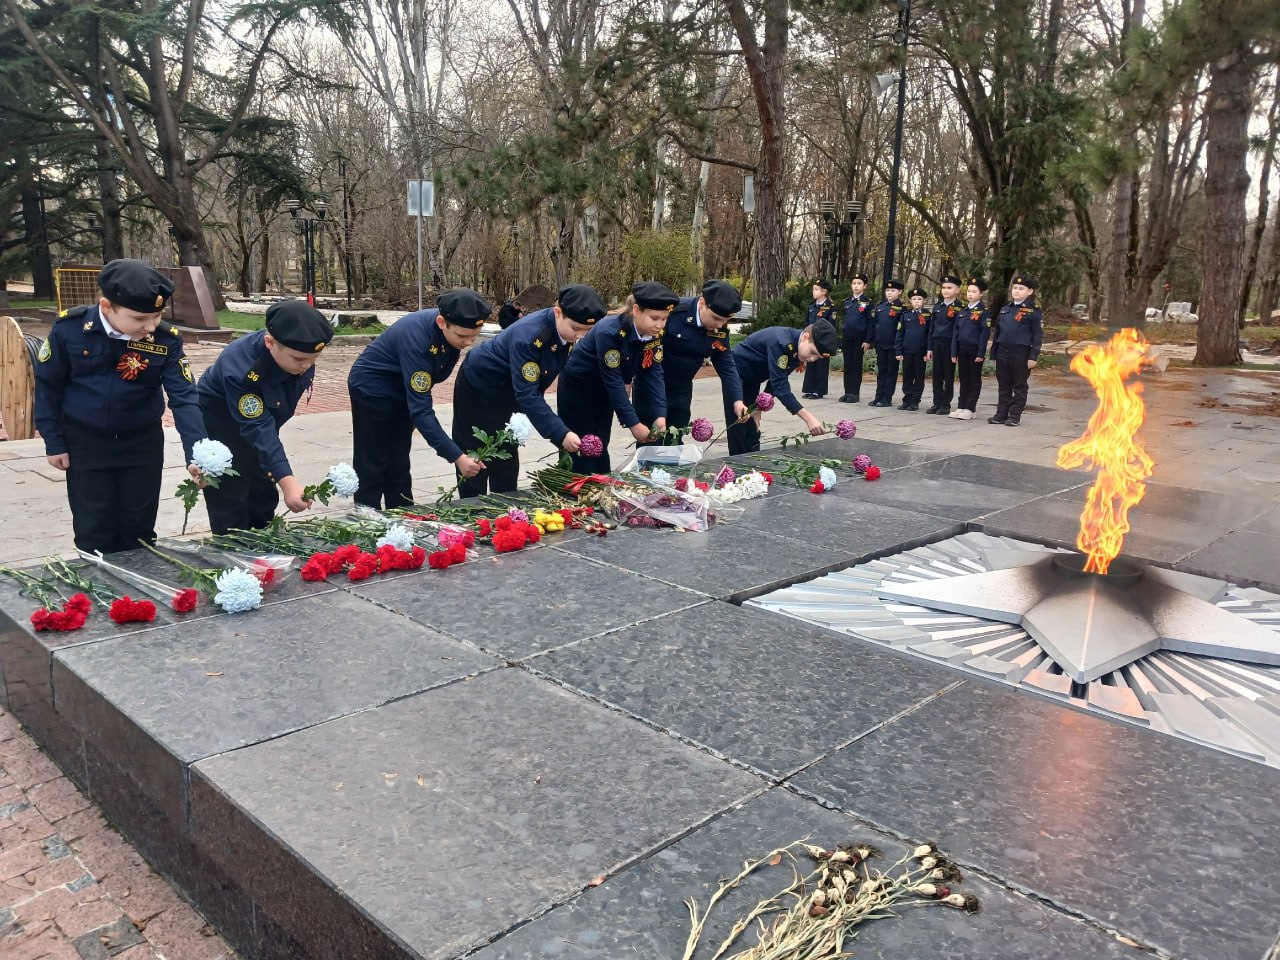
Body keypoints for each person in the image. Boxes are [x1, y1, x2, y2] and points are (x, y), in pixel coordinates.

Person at [34, 258, 208, 554]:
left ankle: (136, 596)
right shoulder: (70, 329)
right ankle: (97, 591)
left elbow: (184, 397)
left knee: (138, 529)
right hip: (85, 443)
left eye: (156, 316)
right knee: (93, 528)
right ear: (106, 307)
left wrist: (198, 452)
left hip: (140, 443)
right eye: (139, 319)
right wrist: (53, 440)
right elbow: (49, 385)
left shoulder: (165, 340)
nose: (150, 326)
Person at [451, 284, 607, 497]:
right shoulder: (531, 337)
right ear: (558, 313)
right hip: (479, 386)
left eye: (585, 331)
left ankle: (506, 504)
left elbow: (534, 385)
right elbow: (527, 394)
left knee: (506, 448)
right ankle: (472, 507)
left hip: (511, 389)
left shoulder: (564, 333)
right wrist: (560, 433)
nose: (579, 336)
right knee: (476, 452)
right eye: (575, 329)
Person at [347, 288, 493, 508]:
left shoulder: (448, 335)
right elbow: (421, 410)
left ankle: (401, 513)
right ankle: (367, 518)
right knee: (373, 460)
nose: (467, 343)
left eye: (474, 336)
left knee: (398, 460)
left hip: (402, 390)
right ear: (442, 322)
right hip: (372, 390)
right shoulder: (419, 341)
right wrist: (457, 457)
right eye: (462, 336)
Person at [197, 301, 334, 534]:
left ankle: (263, 547)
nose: (307, 366)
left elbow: (268, 423)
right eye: (299, 359)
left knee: (263, 492)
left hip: (263, 423)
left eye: (313, 359)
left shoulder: (299, 354)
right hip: (221, 426)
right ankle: (234, 556)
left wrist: (276, 470)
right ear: (269, 342)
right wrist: (289, 484)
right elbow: (258, 426)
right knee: (231, 497)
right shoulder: (242, 370)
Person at [557, 281, 676, 473]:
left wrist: (660, 414)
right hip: (579, 390)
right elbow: (612, 380)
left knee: (601, 442)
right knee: (582, 446)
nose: (660, 325)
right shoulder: (610, 332)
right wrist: (634, 424)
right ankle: (579, 492)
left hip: (605, 392)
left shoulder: (653, 333)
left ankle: (601, 483)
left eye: (664, 319)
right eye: (655, 318)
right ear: (636, 310)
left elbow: (654, 372)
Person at [634, 278, 746, 435]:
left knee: (676, 438)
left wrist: (737, 400)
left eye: (725, 321)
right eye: (716, 318)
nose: (719, 325)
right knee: (652, 443)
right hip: (651, 388)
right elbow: (650, 355)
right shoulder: (673, 312)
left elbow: (726, 363)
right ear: (702, 303)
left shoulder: (719, 329)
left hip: (682, 390)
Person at [727, 319, 837, 455]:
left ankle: (752, 463)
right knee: (739, 424)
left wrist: (758, 408)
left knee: (753, 426)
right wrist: (809, 419)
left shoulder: (797, 349)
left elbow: (776, 381)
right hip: (736, 375)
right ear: (805, 337)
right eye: (813, 352)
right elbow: (780, 386)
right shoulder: (782, 343)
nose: (812, 359)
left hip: (753, 378)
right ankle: (738, 467)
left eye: (817, 357)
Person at [988, 273, 1044, 427]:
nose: (1017, 291)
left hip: (1021, 352)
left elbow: (1037, 335)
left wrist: (1033, 356)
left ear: (1029, 292)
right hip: (1002, 351)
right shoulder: (1006, 308)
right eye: (1015, 288)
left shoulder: (1033, 311)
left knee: (1019, 385)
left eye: (1021, 288)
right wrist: (993, 353)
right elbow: (998, 332)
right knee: (1003, 384)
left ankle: (1014, 415)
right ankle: (1001, 414)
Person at [949, 277, 991, 420]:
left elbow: (984, 334)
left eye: (974, 291)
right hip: (962, 349)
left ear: (981, 294)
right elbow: (956, 332)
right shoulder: (963, 312)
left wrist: (981, 353)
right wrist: (954, 351)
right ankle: (961, 405)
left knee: (974, 379)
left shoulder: (984, 312)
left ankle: (970, 408)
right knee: (964, 378)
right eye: (969, 291)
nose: (970, 294)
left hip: (974, 351)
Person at [866, 279, 905, 407]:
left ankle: (887, 397)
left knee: (890, 372)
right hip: (881, 343)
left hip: (893, 345)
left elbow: (901, 329)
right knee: (881, 371)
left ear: (899, 292)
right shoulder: (880, 307)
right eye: (887, 290)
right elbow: (874, 324)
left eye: (893, 291)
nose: (889, 293)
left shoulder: (902, 309)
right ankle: (878, 396)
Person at [928, 273, 962, 415]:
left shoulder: (960, 308)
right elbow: (931, 328)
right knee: (937, 375)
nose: (946, 290)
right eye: (944, 287)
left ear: (957, 290)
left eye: (950, 287)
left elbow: (957, 330)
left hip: (949, 345)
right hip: (937, 343)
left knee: (948, 375)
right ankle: (937, 402)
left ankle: (945, 404)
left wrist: (955, 350)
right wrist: (929, 347)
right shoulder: (937, 307)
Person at [895, 287, 932, 411]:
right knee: (907, 376)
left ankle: (915, 400)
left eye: (919, 299)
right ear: (910, 301)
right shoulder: (906, 315)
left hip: (920, 352)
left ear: (924, 301)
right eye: (914, 299)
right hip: (907, 350)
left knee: (919, 376)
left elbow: (929, 335)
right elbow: (900, 333)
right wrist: (898, 350)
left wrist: (928, 350)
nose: (916, 301)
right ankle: (907, 399)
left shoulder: (928, 315)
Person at [801, 278, 837, 399]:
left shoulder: (830, 307)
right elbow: (807, 323)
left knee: (821, 365)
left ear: (824, 292)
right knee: (811, 363)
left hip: (823, 341)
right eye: (813, 289)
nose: (813, 292)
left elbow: (831, 325)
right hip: (811, 340)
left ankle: (819, 390)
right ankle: (809, 388)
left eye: (816, 289)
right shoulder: (812, 306)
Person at [839, 273, 871, 403]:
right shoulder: (847, 302)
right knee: (847, 365)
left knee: (856, 365)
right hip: (847, 337)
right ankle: (847, 392)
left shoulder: (867, 303)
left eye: (859, 283)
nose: (856, 286)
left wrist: (868, 340)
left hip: (860, 338)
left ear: (864, 286)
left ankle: (854, 393)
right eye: (854, 283)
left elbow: (870, 323)